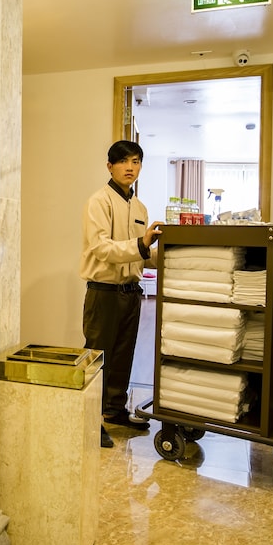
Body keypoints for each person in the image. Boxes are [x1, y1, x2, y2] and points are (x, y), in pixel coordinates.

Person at [80, 140, 164, 448]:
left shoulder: (140, 208)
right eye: (124, 161)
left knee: (123, 356)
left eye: (136, 161)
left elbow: (141, 256)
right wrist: (142, 245)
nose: (130, 167)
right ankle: (90, 420)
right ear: (110, 166)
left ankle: (114, 410)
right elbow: (102, 248)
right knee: (98, 358)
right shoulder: (98, 202)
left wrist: (172, 252)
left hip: (131, 292)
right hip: (103, 292)